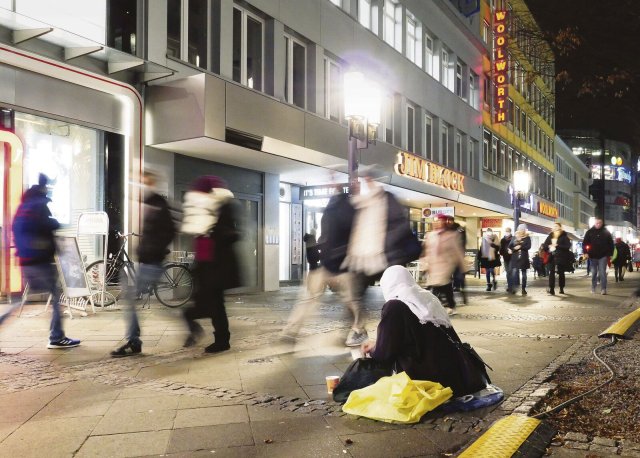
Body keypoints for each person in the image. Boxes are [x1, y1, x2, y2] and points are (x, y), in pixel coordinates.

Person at [361, 266, 490, 397]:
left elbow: (384, 353)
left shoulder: (394, 306)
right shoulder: (428, 298)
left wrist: (373, 348)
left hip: (428, 381)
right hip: (457, 377)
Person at [282, 185, 366, 346]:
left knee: (347, 300)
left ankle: (292, 330)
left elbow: (333, 237)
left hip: (335, 263)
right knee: (350, 300)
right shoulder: (340, 209)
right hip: (335, 264)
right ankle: (291, 330)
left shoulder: (338, 209)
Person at [12, 174, 80, 349]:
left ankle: (56, 335)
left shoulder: (22, 208)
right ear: (43, 191)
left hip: (26, 261)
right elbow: (47, 225)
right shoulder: (39, 206)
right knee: (56, 295)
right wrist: (55, 222)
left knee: (19, 302)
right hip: (39, 260)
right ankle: (56, 337)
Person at [111, 171, 175, 357]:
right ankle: (188, 321)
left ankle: (134, 341)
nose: (140, 186)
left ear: (151, 183)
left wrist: (153, 249)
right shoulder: (148, 203)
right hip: (146, 260)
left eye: (143, 182)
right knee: (132, 298)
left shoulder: (158, 204)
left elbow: (169, 232)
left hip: (152, 261)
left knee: (130, 298)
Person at [181, 176, 241, 353]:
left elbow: (233, 234)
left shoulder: (224, 207)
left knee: (213, 306)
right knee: (212, 305)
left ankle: (221, 340)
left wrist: (212, 231)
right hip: (206, 266)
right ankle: (218, 337)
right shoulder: (205, 211)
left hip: (217, 267)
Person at [420, 214, 466, 314]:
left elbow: (458, 251)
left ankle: (446, 305)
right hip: (433, 264)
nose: (437, 223)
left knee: (442, 284)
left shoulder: (452, 235)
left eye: (440, 221)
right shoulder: (430, 235)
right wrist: (424, 265)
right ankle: (448, 304)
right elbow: (426, 251)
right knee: (441, 285)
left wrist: (463, 266)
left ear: (445, 222)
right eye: (435, 221)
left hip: (446, 264)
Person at [583, 218, 614, 295]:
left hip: (603, 256)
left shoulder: (606, 232)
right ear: (594, 223)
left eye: (600, 223)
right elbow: (584, 243)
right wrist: (585, 252)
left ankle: (603, 289)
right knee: (594, 273)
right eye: (597, 223)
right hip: (592, 256)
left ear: (602, 223)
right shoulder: (590, 232)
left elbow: (611, 244)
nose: (598, 224)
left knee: (602, 272)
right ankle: (593, 287)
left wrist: (610, 254)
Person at [542, 222, 573, 295]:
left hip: (561, 256)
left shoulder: (564, 236)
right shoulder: (550, 235)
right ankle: (551, 288)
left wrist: (558, 245)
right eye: (554, 226)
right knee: (551, 273)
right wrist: (549, 246)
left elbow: (567, 246)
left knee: (561, 272)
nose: (555, 227)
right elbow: (545, 245)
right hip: (551, 256)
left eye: (556, 226)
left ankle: (561, 288)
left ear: (560, 227)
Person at [447, 216, 468, 304]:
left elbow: (462, 242)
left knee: (459, 277)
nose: (448, 222)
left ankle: (463, 294)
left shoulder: (460, 229)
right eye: (447, 221)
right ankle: (450, 298)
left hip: (458, 257)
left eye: (449, 221)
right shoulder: (446, 230)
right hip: (448, 258)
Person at [508, 224, 531, 295]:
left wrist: (520, 246)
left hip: (524, 258)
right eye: (520, 229)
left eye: (522, 229)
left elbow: (528, 246)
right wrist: (513, 248)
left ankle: (523, 289)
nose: (521, 230)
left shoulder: (527, 238)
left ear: (524, 230)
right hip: (515, 258)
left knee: (524, 275)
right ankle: (514, 288)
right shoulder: (514, 237)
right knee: (514, 273)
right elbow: (510, 246)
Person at [500, 227, 514, 293]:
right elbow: (501, 248)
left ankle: (511, 287)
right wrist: (501, 253)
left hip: (511, 257)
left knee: (510, 272)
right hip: (505, 257)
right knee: (508, 273)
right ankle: (509, 286)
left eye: (508, 231)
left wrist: (512, 251)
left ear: (510, 232)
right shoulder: (502, 240)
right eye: (506, 231)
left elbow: (514, 247)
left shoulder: (513, 239)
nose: (507, 232)